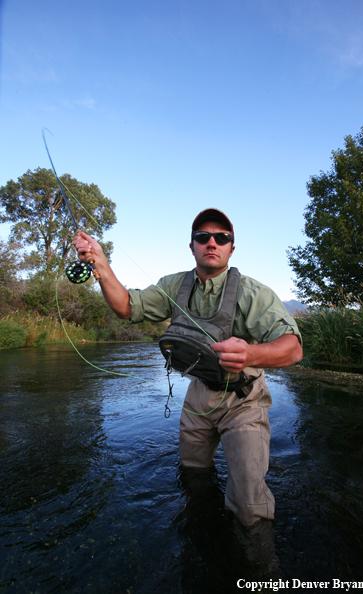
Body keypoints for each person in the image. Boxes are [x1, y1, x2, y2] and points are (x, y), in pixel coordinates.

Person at [72, 208, 302, 527]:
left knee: (249, 504)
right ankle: (197, 514)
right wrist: (100, 262)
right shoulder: (174, 285)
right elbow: (126, 306)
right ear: (192, 246)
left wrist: (250, 353)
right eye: (202, 237)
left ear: (231, 248)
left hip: (244, 399)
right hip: (197, 395)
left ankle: (257, 567)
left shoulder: (253, 293)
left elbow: (293, 348)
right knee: (193, 473)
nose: (211, 242)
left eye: (221, 238)